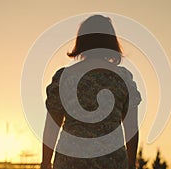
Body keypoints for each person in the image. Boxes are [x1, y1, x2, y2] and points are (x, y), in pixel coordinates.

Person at [41, 15, 141, 169]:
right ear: (111, 42)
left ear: (81, 41)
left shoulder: (64, 78)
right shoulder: (123, 79)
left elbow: (51, 127)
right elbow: (131, 129)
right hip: (111, 162)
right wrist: (131, 165)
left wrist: (45, 163)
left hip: (70, 161)